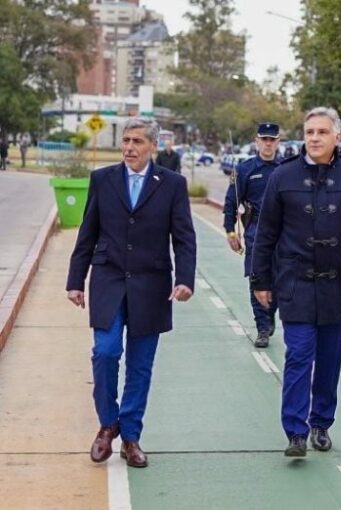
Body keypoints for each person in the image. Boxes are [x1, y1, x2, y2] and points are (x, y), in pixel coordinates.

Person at [251, 107, 341, 457]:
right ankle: (295, 431)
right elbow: (266, 232)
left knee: (329, 360)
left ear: (336, 137)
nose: (314, 138)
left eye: (322, 132)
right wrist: (261, 280)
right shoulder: (283, 176)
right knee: (298, 355)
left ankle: (321, 422)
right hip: (294, 282)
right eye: (309, 132)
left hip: (336, 284)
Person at [66, 117, 196, 468]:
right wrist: (75, 280)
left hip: (152, 286)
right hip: (108, 280)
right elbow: (87, 232)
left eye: (137, 141)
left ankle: (131, 437)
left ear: (152, 145)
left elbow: (184, 237)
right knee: (105, 353)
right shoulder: (103, 179)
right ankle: (108, 425)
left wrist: (185, 279)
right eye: (125, 140)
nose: (129, 148)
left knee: (140, 366)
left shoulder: (171, 184)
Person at [223, 123, 282, 347]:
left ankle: (270, 313)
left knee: (279, 280)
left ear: (278, 142)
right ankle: (262, 328)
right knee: (257, 278)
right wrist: (230, 231)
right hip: (256, 230)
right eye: (264, 139)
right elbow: (231, 203)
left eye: (272, 139)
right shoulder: (245, 169)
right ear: (257, 141)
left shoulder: (287, 168)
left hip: (283, 232)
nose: (268, 143)